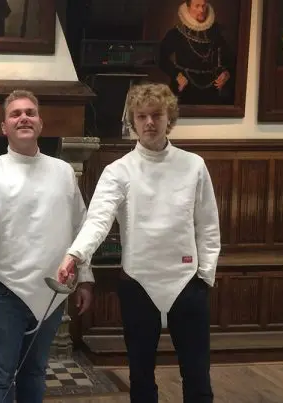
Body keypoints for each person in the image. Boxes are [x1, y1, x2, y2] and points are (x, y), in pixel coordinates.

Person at [57, 82, 220, 403]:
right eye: (142, 116)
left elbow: (208, 225)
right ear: (133, 121)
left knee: (197, 374)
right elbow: (98, 220)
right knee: (141, 375)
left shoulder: (194, 165)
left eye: (156, 115)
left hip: (187, 283)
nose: (149, 122)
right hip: (138, 284)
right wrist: (74, 255)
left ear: (169, 117)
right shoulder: (118, 171)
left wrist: (205, 276)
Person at [0, 89, 94, 403]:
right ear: (4, 127)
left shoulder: (63, 171)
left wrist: (85, 277)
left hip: (51, 292)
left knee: (35, 372)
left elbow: (80, 225)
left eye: (30, 113)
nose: (23, 118)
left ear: (40, 123)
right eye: (15, 114)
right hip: (5, 293)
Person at [159, 0, 233, 105]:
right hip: (185, 89)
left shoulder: (216, 32)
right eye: (197, 6)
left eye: (203, 6)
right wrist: (176, 75)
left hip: (211, 91)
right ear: (188, 8)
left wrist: (226, 74)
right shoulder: (176, 33)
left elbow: (229, 60)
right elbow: (160, 58)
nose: (201, 10)